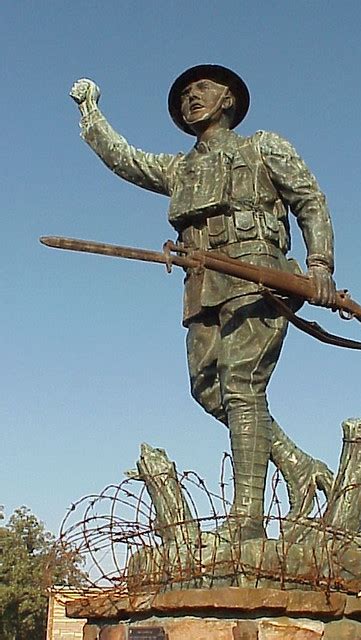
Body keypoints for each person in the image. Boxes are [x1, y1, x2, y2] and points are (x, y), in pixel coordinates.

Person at [70, 64, 335, 541]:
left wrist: (320, 265)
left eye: (203, 89)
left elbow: (310, 200)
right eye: (185, 94)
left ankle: (245, 520)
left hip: (258, 271)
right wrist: (91, 113)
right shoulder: (181, 168)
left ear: (228, 99)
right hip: (201, 281)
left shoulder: (262, 148)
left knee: (240, 382)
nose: (192, 98)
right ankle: (297, 465)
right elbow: (124, 159)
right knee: (208, 388)